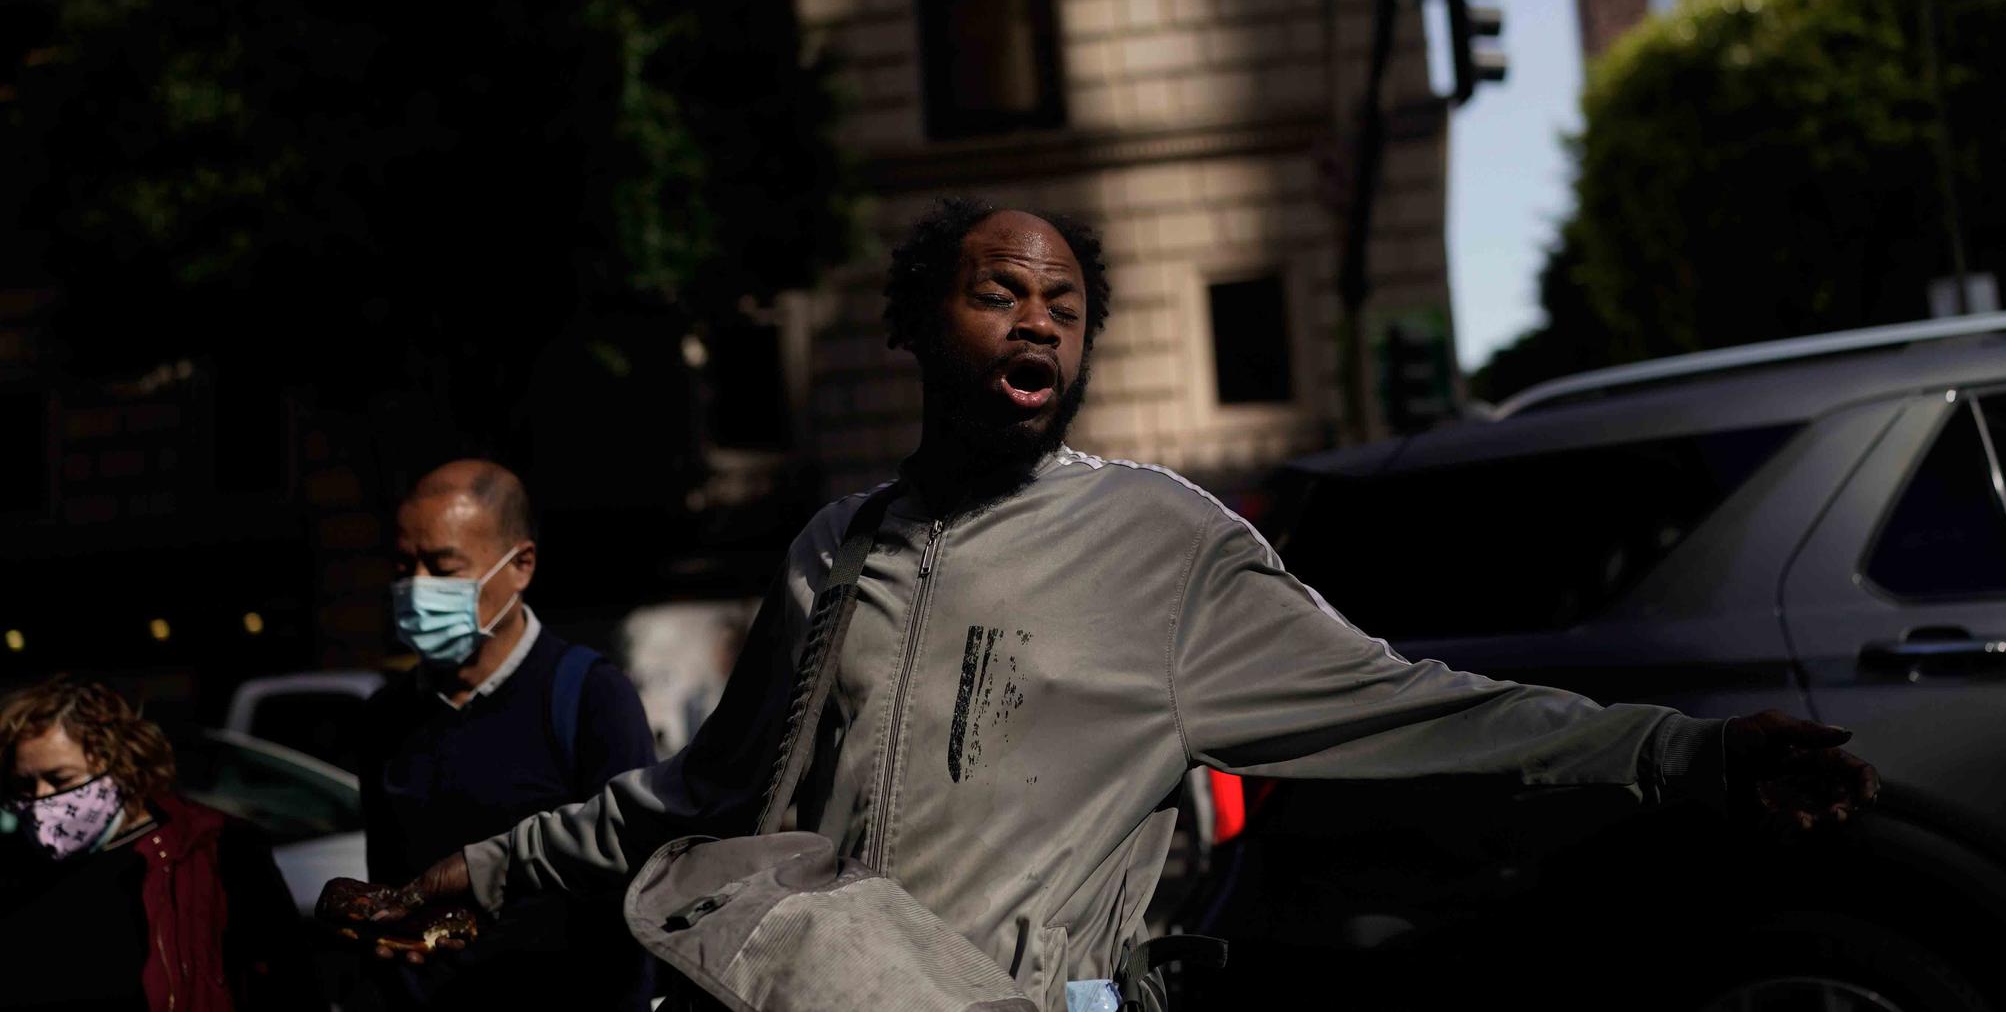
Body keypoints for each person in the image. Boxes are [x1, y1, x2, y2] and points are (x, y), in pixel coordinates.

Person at [322, 199, 1879, 1009]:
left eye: (1066, 303)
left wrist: (1682, 756)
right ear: (917, 329)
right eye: (1001, 290)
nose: (1040, 319)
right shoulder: (826, 551)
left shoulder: (1166, 545)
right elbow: (694, 793)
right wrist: (475, 870)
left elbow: (1420, 705)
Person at [350, 459, 656, 1011]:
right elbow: (391, 888)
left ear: (521, 565)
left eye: (443, 568)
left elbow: (634, 886)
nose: (417, 589)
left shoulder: (591, 699)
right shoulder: (384, 717)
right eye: (403, 566)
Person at [0, 676, 315, 1012]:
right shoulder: (16, 867)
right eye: (25, 784)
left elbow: (289, 981)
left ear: (118, 762)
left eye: (61, 779)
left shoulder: (213, 848)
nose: (41, 799)